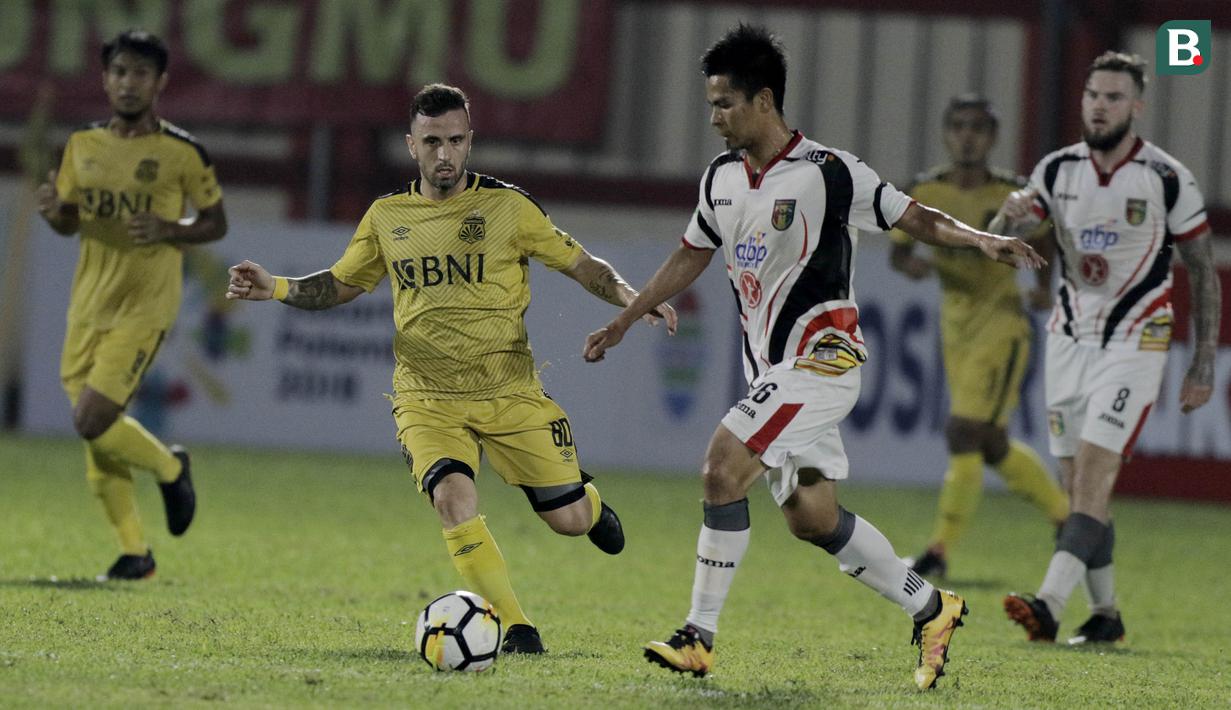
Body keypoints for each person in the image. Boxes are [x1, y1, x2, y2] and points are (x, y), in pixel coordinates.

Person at [583, 24, 1043, 690]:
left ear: (763, 100)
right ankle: (931, 605)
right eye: (709, 103)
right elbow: (691, 252)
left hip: (822, 360)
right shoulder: (720, 179)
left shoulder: (829, 172)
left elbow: (913, 216)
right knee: (810, 516)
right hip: (772, 372)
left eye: (723, 103)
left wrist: (979, 241)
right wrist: (625, 318)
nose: (712, 118)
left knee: (720, 468)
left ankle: (697, 636)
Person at [225, 84, 677, 655]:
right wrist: (278, 287)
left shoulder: (508, 207)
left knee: (565, 521)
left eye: (456, 141)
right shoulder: (388, 217)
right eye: (432, 142)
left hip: (509, 393)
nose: (445, 155)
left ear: (470, 142)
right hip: (426, 397)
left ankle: (588, 507)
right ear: (411, 145)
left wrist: (633, 301)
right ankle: (516, 627)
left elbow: (583, 264)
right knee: (453, 501)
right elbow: (343, 283)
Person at [997, 52, 1220, 645]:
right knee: (1078, 491)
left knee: (1094, 479)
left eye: (1113, 97)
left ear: (1136, 107)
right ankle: (1107, 616)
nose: (1099, 106)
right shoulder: (1056, 170)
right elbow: (1007, 240)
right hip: (1069, 340)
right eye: (1093, 95)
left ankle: (1047, 604)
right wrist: (1009, 215)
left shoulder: (1167, 176)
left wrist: (1202, 361)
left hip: (1136, 341)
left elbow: (1202, 269)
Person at [35, 30, 227, 581]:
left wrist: (171, 227)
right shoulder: (82, 146)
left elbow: (216, 222)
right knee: (98, 430)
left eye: (140, 73)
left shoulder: (181, 152)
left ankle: (170, 468)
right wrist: (54, 214)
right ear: (105, 79)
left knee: (91, 419)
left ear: (160, 82)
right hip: (88, 304)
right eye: (119, 71)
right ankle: (134, 553)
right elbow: (70, 220)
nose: (128, 82)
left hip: (146, 305)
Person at [889, 95, 1069, 578]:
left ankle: (938, 553)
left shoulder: (1012, 193)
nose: (968, 135)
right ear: (948, 134)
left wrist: (1043, 287)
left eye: (978, 128)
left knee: (962, 432)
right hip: (956, 325)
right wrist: (911, 267)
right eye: (959, 126)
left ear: (992, 138)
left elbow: (1046, 234)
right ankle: (1066, 519)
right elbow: (898, 251)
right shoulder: (925, 189)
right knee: (990, 444)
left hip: (1002, 324)